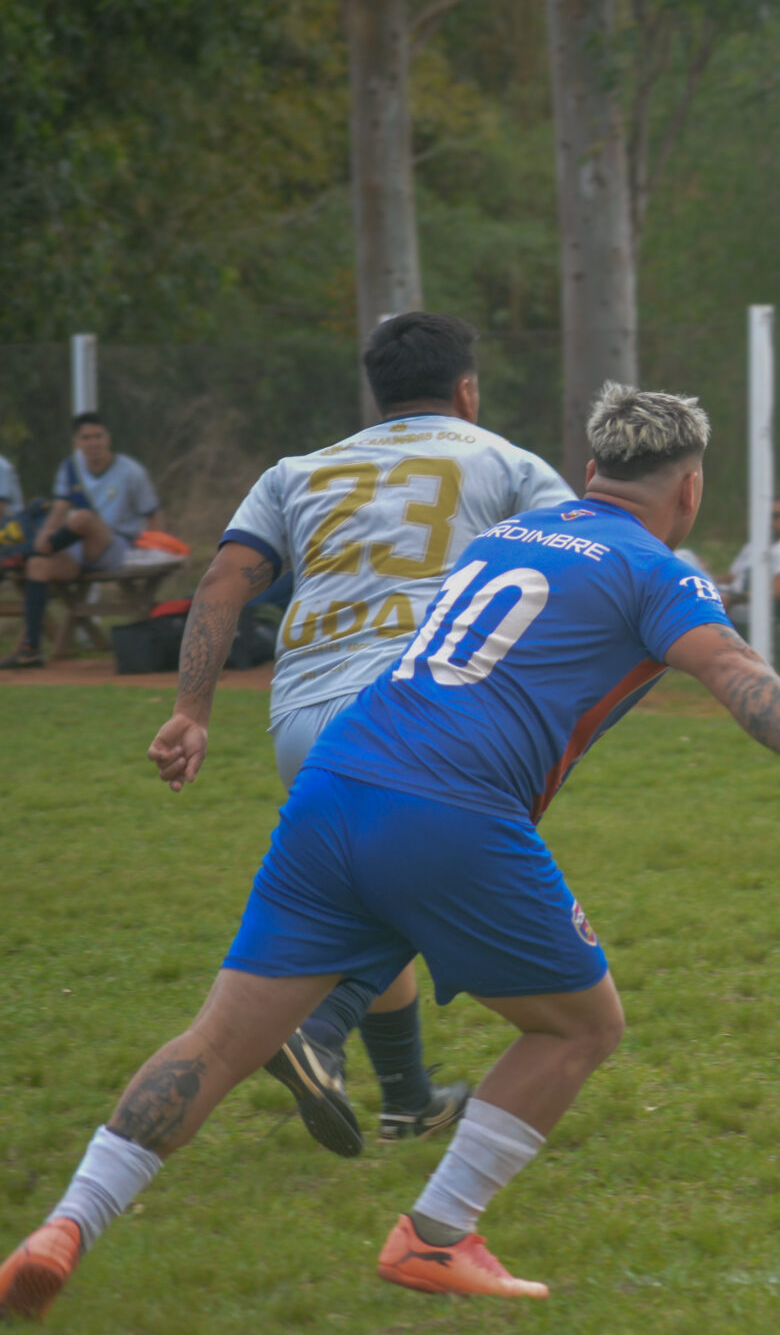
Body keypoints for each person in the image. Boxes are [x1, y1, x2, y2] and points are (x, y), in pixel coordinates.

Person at [1, 384, 780, 1317]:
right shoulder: (657, 570)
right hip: (450, 808)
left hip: (335, 782)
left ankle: (64, 1228)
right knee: (582, 1027)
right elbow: (733, 665)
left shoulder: (505, 538)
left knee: (215, 1044)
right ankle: (436, 1235)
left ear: (590, 470)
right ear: (691, 491)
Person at [148, 312, 576, 1156]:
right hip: (416, 712)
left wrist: (191, 711)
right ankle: (320, 1029)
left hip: (301, 720)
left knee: (376, 881)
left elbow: (223, 582)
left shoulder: (297, 471)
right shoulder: (507, 462)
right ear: (466, 391)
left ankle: (408, 1099)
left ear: (377, 396)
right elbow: (580, 563)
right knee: (423, 873)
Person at [5, 414, 175, 669]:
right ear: (77, 442)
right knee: (37, 565)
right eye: (86, 437)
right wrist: (45, 536)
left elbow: (153, 514)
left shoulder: (131, 472)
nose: (93, 442)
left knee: (83, 518)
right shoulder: (69, 468)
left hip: (117, 547)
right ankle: (30, 649)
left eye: (98, 436)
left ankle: (22, 554)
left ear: (108, 439)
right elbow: (59, 509)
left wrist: (154, 551)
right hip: (76, 547)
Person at [719, 495, 780, 610]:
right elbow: (731, 576)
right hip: (730, 597)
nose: (769, 521)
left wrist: (733, 599)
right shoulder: (756, 544)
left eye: (775, 516)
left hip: (755, 609)